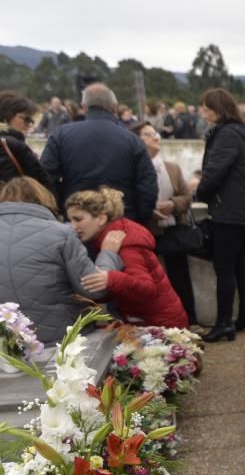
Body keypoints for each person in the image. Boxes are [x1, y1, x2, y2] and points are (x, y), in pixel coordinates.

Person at [0, 177, 124, 344]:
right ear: (43, 199)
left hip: (6, 339)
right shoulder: (61, 233)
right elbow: (95, 289)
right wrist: (108, 253)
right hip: (61, 335)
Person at [66, 187, 187, 329]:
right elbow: (121, 289)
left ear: (101, 219)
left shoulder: (126, 245)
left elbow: (147, 289)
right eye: (70, 221)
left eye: (78, 219)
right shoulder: (111, 239)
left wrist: (110, 279)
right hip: (151, 322)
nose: (73, 227)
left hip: (161, 327)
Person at [195, 88, 245, 342]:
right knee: (240, 264)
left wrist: (199, 193)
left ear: (217, 110)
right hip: (244, 211)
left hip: (228, 212)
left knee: (224, 268)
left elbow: (214, 173)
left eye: (206, 108)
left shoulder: (225, 135)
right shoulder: (241, 133)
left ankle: (224, 323)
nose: (203, 113)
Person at [40, 83, 158, 222]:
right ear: (114, 106)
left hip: (77, 220)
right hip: (121, 220)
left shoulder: (61, 135)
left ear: (84, 107)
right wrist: (141, 220)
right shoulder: (132, 140)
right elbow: (147, 185)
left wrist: (62, 208)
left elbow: (45, 177)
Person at [131, 121, 197, 325]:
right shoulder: (132, 170)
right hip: (147, 233)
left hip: (173, 231)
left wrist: (172, 204)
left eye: (155, 132)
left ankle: (189, 322)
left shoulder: (172, 168)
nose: (155, 136)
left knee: (181, 280)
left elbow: (186, 196)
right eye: (148, 134)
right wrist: (150, 211)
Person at [0, 92, 50, 188]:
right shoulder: (14, 145)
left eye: (32, 121)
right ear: (7, 117)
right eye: (27, 119)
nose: (30, 125)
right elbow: (40, 182)